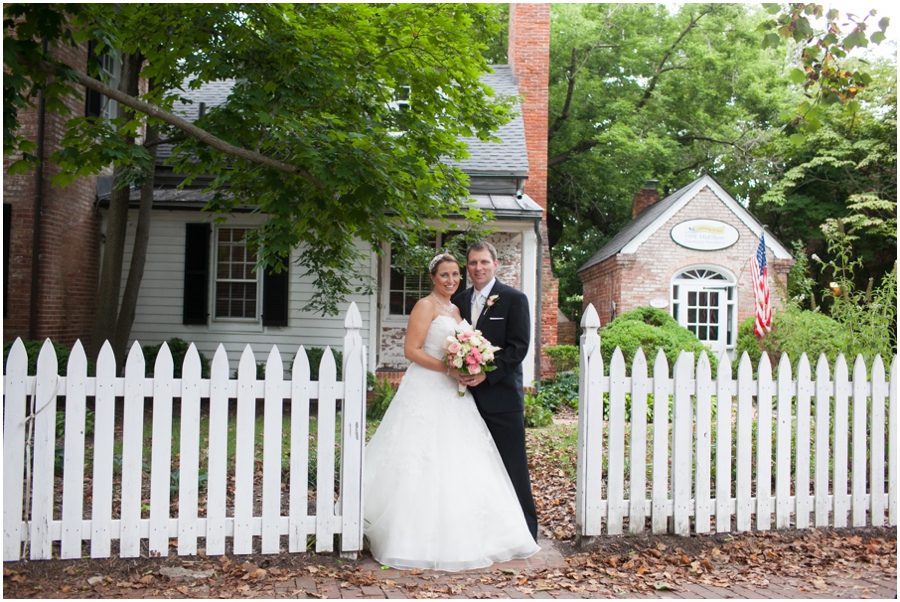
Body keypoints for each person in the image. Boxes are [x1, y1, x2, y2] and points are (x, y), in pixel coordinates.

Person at [363, 253, 539, 571]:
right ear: (433, 277)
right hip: (428, 388)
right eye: (444, 274)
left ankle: (476, 529)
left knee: (461, 459)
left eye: (455, 274)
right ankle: (410, 533)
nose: (451, 280)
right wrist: (448, 368)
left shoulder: (456, 307)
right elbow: (411, 350)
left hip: (456, 393)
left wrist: (470, 361)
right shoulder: (425, 306)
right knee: (420, 457)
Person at [451, 241, 539, 541]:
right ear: (467, 267)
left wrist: (485, 377)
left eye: (484, 262)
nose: (478, 268)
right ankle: (479, 531)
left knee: (512, 466)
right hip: (464, 400)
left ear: (495, 264)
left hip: (502, 398)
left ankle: (526, 532)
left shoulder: (514, 299)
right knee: (472, 467)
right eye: (473, 263)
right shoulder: (459, 301)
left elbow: (518, 348)